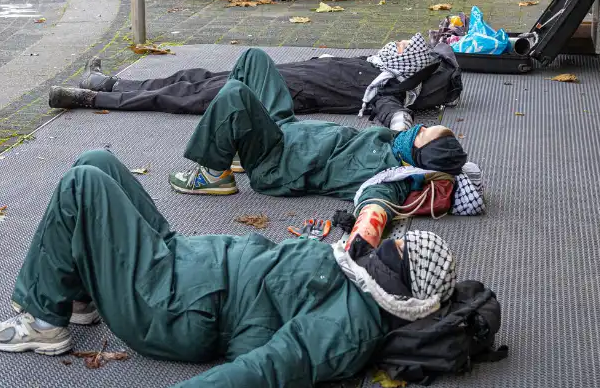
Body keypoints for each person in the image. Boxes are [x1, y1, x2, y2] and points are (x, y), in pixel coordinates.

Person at [0, 148, 458, 388]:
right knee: (97, 162)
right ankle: (81, 294)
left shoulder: (349, 328)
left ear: (403, 299)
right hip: (189, 264)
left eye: (394, 259)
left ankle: (44, 323)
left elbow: (265, 370)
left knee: (83, 184)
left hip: (173, 306)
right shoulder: (362, 279)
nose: (384, 254)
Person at [168, 48, 474, 249]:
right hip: (286, 129)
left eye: (423, 134)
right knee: (253, 58)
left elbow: (373, 215)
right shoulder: (396, 143)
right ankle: (231, 144)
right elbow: (391, 110)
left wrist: (358, 249)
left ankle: (213, 174)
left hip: (274, 162)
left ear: (422, 154)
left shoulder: (391, 179)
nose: (419, 129)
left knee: (235, 93)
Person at [48, 34, 462, 131]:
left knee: (191, 96)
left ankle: (89, 98)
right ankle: (109, 83)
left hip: (282, 93)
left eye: (409, 44)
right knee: (196, 77)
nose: (402, 40)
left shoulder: (388, 87)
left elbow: (393, 114)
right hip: (277, 74)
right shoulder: (374, 60)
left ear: (408, 63)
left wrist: (405, 130)